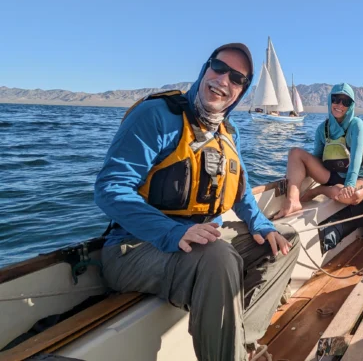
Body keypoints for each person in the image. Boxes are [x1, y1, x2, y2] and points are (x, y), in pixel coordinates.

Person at [95, 43, 300, 361]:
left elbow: (241, 192)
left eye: (236, 78)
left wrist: (261, 224)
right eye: (219, 68)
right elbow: (111, 188)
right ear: (205, 69)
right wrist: (172, 232)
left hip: (203, 240)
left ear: (241, 92)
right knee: (218, 257)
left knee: (284, 239)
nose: (223, 80)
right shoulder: (157, 116)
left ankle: (242, 341)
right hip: (135, 247)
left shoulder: (228, 132)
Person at [273, 83, 363, 219]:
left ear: (351, 105)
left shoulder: (356, 125)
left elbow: (356, 158)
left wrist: (349, 185)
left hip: (358, 177)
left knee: (354, 197)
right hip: (332, 175)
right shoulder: (322, 129)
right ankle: (293, 201)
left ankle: (320, 190)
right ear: (330, 100)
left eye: (346, 102)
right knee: (295, 153)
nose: (340, 105)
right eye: (336, 99)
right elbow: (316, 158)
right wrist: (292, 174)